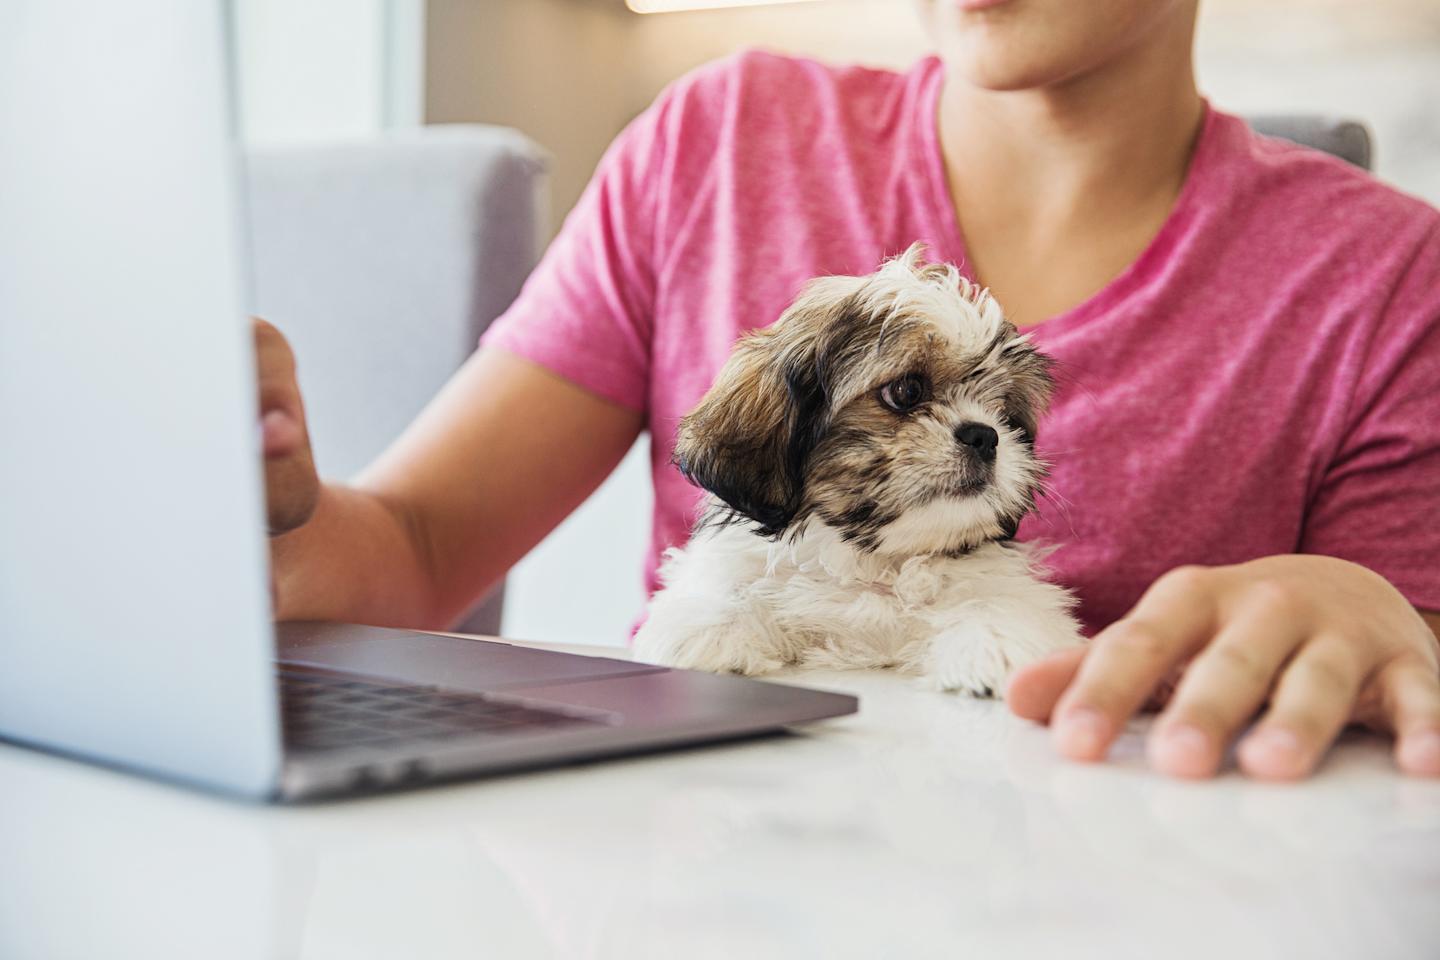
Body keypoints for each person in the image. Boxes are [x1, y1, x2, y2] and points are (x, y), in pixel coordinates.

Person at [256, 0, 1440, 782]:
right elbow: (407, 551)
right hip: (701, 877)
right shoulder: (711, 144)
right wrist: (263, 507)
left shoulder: (1386, 281)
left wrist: (1393, 627)